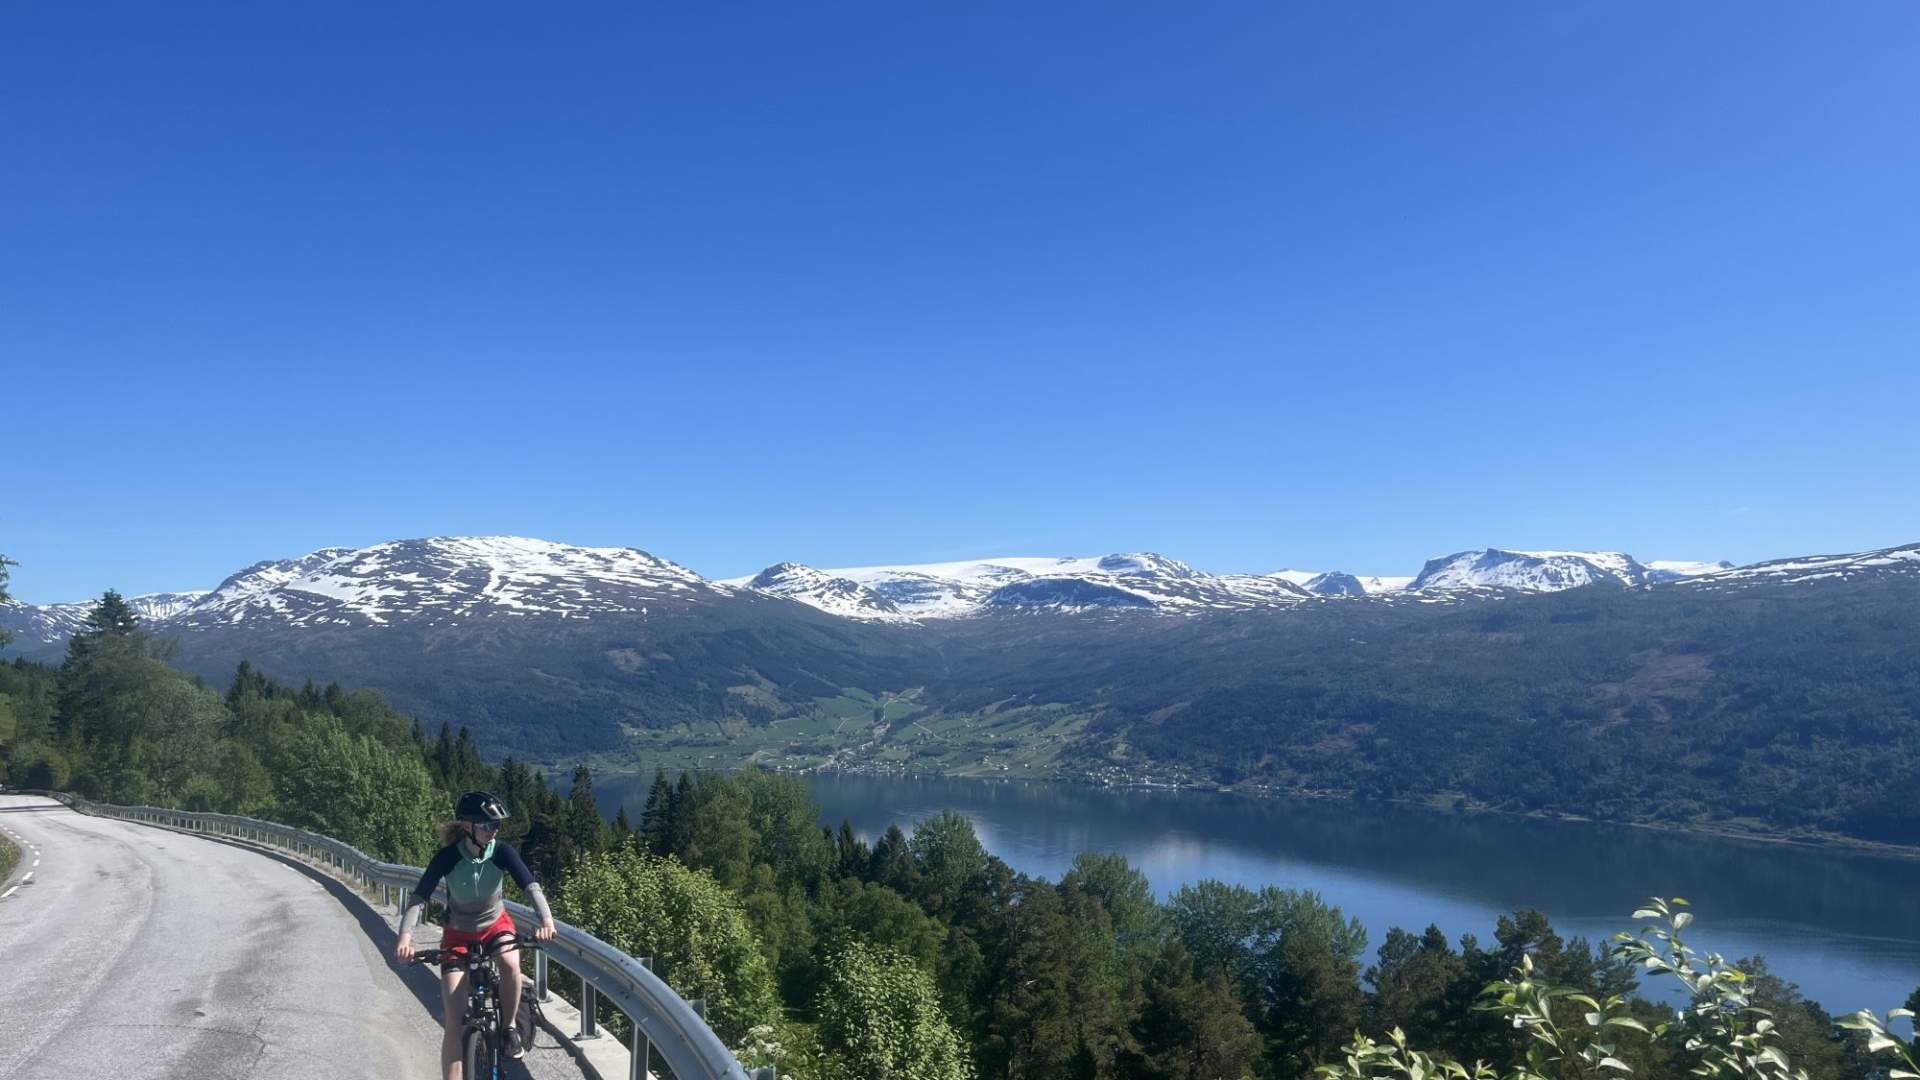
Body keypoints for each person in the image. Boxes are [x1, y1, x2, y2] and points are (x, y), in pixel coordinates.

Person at [394, 790, 557, 1075]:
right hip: (458, 932)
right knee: (454, 1023)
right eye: (487, 826)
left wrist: (546, 920)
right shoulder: (448, 857)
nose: (493, 831)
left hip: (496, 924)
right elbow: (420, 896)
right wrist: (405, 939)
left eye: (497, 826)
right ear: (467, 827)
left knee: (509, 962)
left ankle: (508, 1029)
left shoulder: (502, 852)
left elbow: (530, 886)